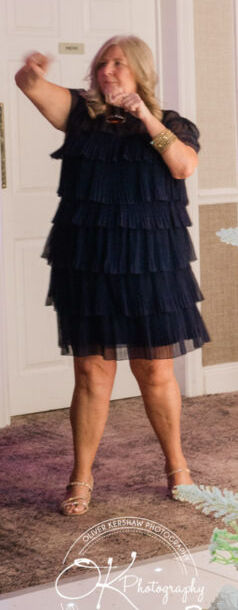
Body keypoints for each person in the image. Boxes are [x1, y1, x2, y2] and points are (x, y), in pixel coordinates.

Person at [14, 37, 209, 516]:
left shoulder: (172, 124)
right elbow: (28, 85)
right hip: (89, 260)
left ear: (140, 70)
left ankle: (177, 467)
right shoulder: (80, 115)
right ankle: (81, 475)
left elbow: (183, 165)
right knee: (90, 371)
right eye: (102, 63)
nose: (107, 70)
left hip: (152, 261)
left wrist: (144, 116)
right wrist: (32, 72)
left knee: (155, 369)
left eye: (118, 63)